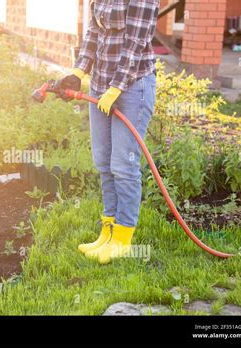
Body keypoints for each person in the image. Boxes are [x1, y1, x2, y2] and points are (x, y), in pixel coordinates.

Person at [56, 0, 160, 264]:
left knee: (123, 165)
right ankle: (108, 231)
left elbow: (136, 42)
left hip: (132, 86)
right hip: (101, 85)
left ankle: (123, 239)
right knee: (103, 162)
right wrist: (79, 71)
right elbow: (94, 30)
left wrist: (117, 87)